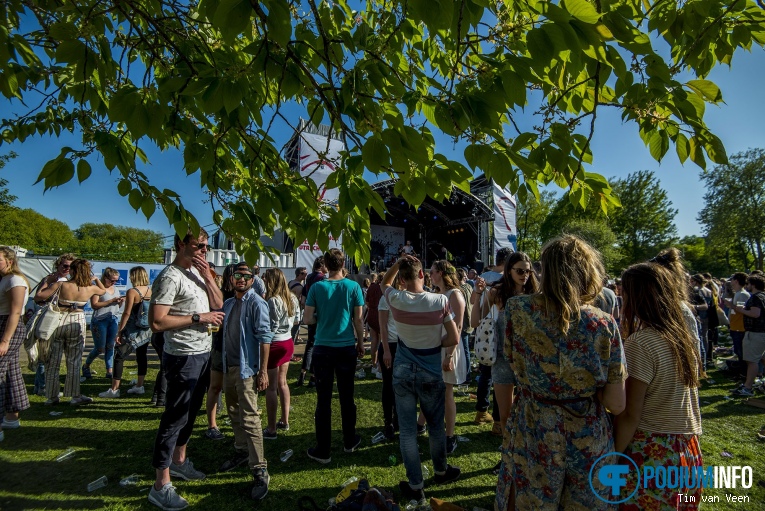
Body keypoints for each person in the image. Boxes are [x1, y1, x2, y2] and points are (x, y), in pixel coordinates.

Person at [497, 235, 626, 510]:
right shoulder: (604, 324)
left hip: (534, 427)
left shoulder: (517, 310)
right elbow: (617, 402)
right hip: (587, 434)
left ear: (546, 270)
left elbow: (510, 360)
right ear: (587, 271)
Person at [614, 261, 703, 509]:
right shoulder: (681, 338)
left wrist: (612, 456)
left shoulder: (641, 343)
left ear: (637, 297)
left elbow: (631, 413)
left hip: (652, 450)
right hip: (686, 448)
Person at [147, 228, 224, 511]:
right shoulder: (170, 276)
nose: (204, 251)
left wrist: (207, 276)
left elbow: (218, 304)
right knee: (175, 417)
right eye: (199, 246)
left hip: (202, 352)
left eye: (207, 247)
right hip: (182, 356)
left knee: (191, 414)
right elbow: (156, 322)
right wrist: (196, 317)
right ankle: (160, 485)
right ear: (181, 244)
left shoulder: (197, 273)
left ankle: (179, 462)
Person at [381, 255, 461, 503]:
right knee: (436, 427)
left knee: (407, 432)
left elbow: (384, 282)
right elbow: (455, 338)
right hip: (430, 370)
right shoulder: (439, 300)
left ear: (402, 280)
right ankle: (440, 471)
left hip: (403, 369)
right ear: (422, 275)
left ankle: (416, 484)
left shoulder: (396, 298)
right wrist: (436, 344)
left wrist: (396, 264)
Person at [472, 251, 538, 472]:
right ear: (509, 270)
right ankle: (508, 459)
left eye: (528, 271)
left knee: (530, 415)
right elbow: (474, 321)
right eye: (520, 271)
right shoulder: (497, 293)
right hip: (502, 361)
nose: (525, 275)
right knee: (507, 416)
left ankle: (527, 457)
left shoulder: (535, 294)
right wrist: (477, 295)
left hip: (529, 362)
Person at [303, 248, 365, 464]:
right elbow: (358, 320)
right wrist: (360, 342)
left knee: (324, 400)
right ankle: (350, 441)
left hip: (323, 348)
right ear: (343, 264)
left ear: (326, 266)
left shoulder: (316, 287)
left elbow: (307, 319)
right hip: (346, 346)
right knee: (347, 397)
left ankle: (323, 449)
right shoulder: (354, 286)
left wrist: (323, 315)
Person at [218, 262, 273, 500]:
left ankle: (260, 468)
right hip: (229, 367)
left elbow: (265, 338)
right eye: (236, 275)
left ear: (252, 279)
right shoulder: (229, 303)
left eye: (245, 276)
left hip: (247, 370)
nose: (240, 279)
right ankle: (241, 450)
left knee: (250, 417)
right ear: (230, 279)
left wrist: (263, 371)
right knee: (232, 411)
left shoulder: (257, 303)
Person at [36, 259, 107, 405]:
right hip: (77, 320)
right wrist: (95, 280)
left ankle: (52, 396)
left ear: (73, 271)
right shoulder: (90, 288)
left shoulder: (61, 284)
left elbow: (39, 296)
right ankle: (75, 395)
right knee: (74, 361)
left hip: (58, 319)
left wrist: (46, 281)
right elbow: (103, 290)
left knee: (53, 361)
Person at [470, 246, 514, 436]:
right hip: (497, 332)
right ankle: (498, 421)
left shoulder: (485, 276)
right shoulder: (503, 283)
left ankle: (482, 412)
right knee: (498, 378)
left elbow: (473, 301)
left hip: (486, 331)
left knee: (486, 374)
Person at [428, 260, 467, 454]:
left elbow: (458, 327)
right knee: (432, 390)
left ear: (442, 273)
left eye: (433, 272)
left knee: (446, 392)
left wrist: (449, 355)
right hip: (436, 347)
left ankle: (450, 436)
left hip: (449, 349)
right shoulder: (437, 294)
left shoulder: (455, 294)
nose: (430, 275)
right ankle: (424, 425)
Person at [99, 266, 152, 398]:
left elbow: (127, 313)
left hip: (132, 328)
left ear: (135, 277)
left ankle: (114, 389)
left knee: (119, 357)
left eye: (131, 275)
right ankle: (140, 385)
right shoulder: (150, 291)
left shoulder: (132, 291)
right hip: (146, 329)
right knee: (142, 356)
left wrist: (120, 331)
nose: (129, 278)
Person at [262, 268, 299, 440]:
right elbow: (297, 319)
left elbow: (271, 326)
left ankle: (271, 429)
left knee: (271, 387)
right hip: (288, 341)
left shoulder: (273, 300)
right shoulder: (292, 297)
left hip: (275, 343)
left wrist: (263, 343)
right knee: (282, 383)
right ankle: (284, 420)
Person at [32, 253, 76, 395]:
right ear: (58, 265)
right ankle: (42, 386)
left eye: (70, 266)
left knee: (48, 353)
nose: (67, 268)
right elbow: (38, 297)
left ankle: (39, 385)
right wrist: (47, 282)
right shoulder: (52, 278)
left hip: (59, 319)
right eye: (64, 265)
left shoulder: (67, 280)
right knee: (45, 353)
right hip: (48, 318)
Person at [0, 247, 31, 440]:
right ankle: (11, 418)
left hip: (8, 327)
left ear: (9, 261)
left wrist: (5, 340)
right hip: (3, 324)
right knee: (11, 373)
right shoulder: (4, 279)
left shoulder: (15, 280)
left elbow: (15, 312)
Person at [206, 263, 236, 441]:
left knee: (235, 388)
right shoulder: (220, 295)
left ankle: (236, 421)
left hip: (237, 348)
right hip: (220, 345)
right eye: (236, 276)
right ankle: (212, 424)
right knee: (215, 386)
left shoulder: (246, 296)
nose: (239, 280)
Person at [83, 267, 124, 380]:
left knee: (111, 346)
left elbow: (117, 306)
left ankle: (109, 370)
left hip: (113, 318)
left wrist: (119, 303)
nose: (114, 282)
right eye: (112, 280)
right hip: (100, 320)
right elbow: (94, 305)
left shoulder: (115, 289)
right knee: (100, 348)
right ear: (105, 278)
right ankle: (86, 365)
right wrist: (110, 301)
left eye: (116, 280)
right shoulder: (97, 289)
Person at [731, 274, 765, 397]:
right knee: (761, 358)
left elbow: (755, 314)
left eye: (749, 283)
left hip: (756, 332)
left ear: (753, 284)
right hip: (761, 332)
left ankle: (748, 387)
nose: (747, 285)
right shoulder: (763, 296)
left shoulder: (756, 297)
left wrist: (739, 309)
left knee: (751, 361)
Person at [296, 256, 327, 387]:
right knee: (318, 345)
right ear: (322, 265)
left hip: (309, 312)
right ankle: (313, 376)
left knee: (310, 344)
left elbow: (303, 299)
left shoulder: (308, 278)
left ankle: (302, 373)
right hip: (319, 314)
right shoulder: (322, 279)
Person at [724, 272, 750, 364]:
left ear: (736, 281)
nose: (731, 282)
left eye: (732, 280)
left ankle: (744, 374)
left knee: (741, 352)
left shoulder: (742, 294)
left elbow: (741, 310)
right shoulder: (738, 293)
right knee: (738, 351)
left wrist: (731, 305)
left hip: (740, 327)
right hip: (736, 326)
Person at [288, 267, 307, 343]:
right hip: (296, 308)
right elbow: (300, 301)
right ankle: (293, 340)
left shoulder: (291, 282)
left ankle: (296, 337)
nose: (306, 275)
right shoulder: (299, 287)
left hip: (289, 306)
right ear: (300, 274)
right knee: (296, 325)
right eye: (304, 274)